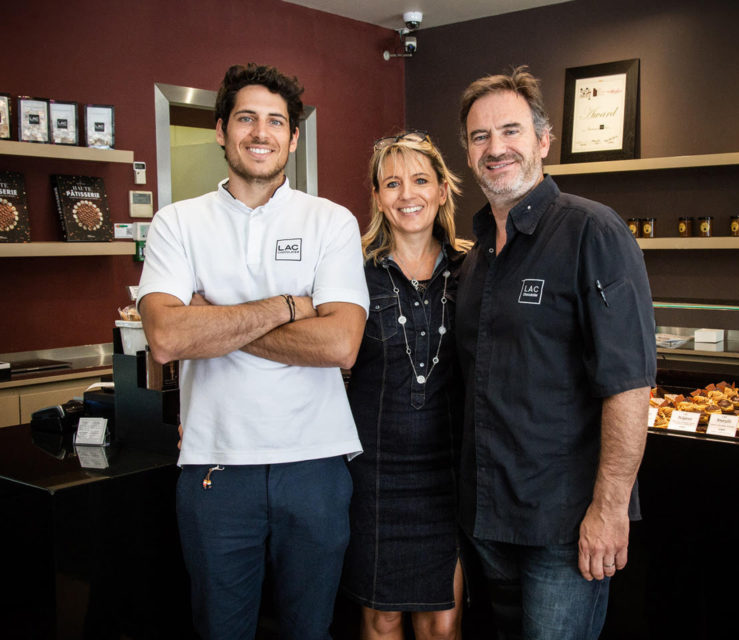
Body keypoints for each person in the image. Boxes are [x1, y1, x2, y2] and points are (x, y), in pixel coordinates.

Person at [137, 63, 369, 640]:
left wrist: (210, 317)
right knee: (220, 630)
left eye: (275, 121)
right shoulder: (177, 224)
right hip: (217, 470)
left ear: (293, 137)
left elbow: (341, 344)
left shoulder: (331, 221)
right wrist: (290, 306)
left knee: (311, 630)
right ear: (221, 130)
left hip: (315, 466)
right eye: (246, 118)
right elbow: (166, 339)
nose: (260, 133)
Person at [453, 66, 657, 639]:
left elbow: (629, 383)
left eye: (511, 131)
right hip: (487, 522)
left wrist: (610, 509)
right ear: (467, 154)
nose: (496, 149)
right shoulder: (475, 259)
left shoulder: (593, 231)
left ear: (543, 141)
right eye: (479, 137)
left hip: (564, 527)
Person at [340, 131, 471, 640]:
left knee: (444, 621)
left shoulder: (473, 268)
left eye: (420, 180)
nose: (406, 194)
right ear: (376, 196)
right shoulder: (352, 270)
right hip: (373, 473)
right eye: (391, 183)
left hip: (449, 473)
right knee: (382, 618)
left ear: (442, 190)